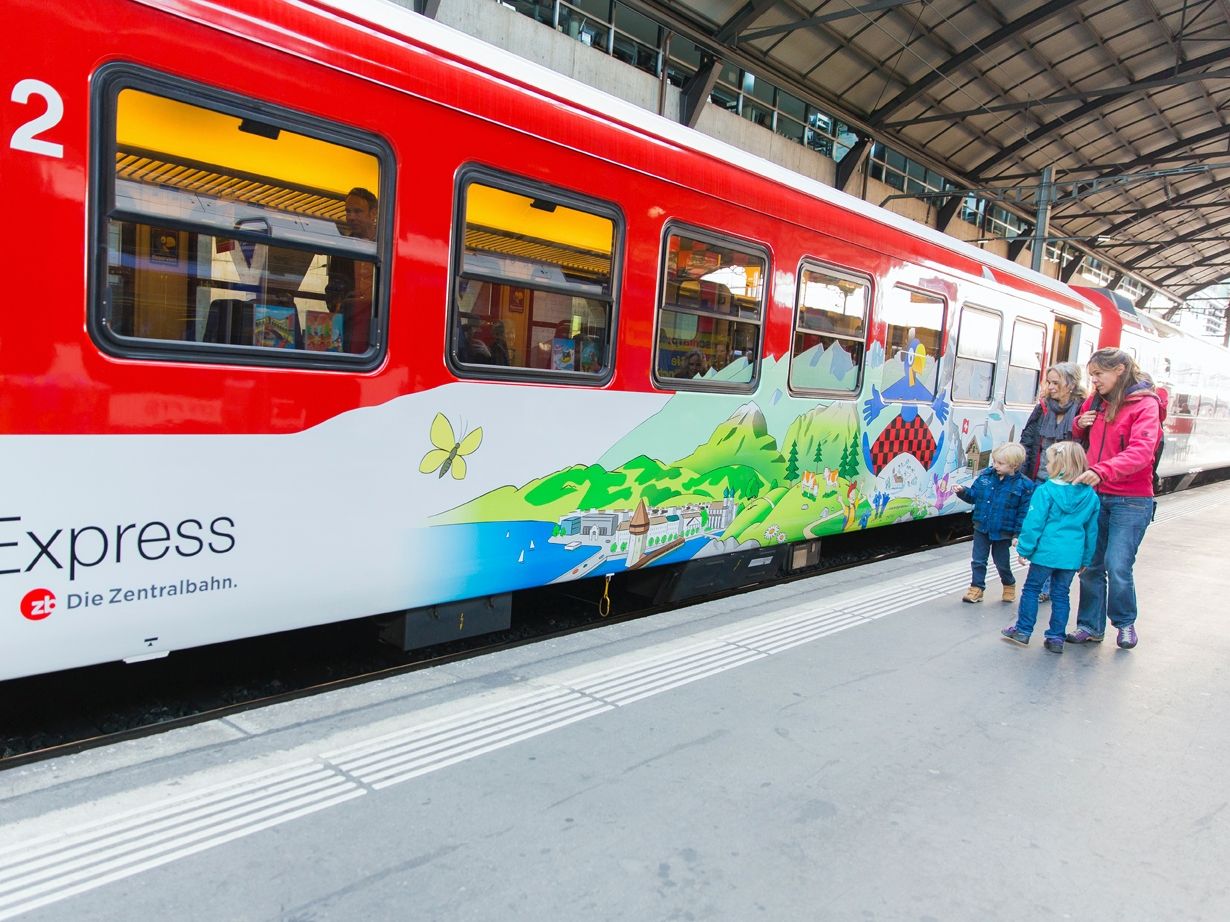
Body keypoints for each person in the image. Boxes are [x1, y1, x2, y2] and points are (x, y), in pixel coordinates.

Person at [1066, 348, 1164, 650]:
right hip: (1097, 495)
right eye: (1092, 375)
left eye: (1098, 374)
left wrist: (1102, 470)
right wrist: (1078, 424)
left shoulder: (1145, 405)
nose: (1093, 381)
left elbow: (1142, 451)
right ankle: (1090, 626)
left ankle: (1124, 623)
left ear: (1120, 369)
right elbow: (1082, 438)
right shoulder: (1096, 401)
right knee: (1092, 565)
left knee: (1117, 563)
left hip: (1132, 499)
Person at [1000, 441, 1101, 652]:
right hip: (1071, 556)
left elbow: (1034, 523)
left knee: (1031, 589)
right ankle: (1056, 638)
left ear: (1060, 465)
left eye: (1050, 461)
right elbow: (1092, 532)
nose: (1046, 465)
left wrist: (1024, 550)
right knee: (1061, 595)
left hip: (1045, 554)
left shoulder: (1046, 491)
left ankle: (1023, 631)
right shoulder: (1091, 495)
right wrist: (1086, 559)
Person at [1020, 361, 1087, 602]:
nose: (1049, 387)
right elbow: (1028, 439)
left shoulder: (1083, 410)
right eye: (1048, 382)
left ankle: (1047, 586)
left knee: (1055, 534)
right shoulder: (1043, 408)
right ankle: (1039, 583)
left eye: (1055, 382)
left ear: (1071, 384)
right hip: (1040, 481)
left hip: (1068, 486)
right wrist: (1024, 475)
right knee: (1040, 532)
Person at [954, 442, 1034, 604]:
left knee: (1001, 562)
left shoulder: (1025, 486)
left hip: (1003, 531)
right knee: (978, 560)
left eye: (1000, 463)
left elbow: (1023, 513)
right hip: (981, 527)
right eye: (995, 461)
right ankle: (976, 588)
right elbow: (974, 496)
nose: (995, 465)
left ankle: (1009, 583)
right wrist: (963, 491)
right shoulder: (985, 477)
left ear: (1014, 465)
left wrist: (1018, 534)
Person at [326, 187, 378, 353]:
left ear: (373, 213)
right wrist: (340, 301)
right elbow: (332, 292)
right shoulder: (342, 249)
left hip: (380, 322)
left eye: (358, 211)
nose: (351, 217)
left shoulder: (388, 245)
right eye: (348, 211)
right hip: (350, 321)